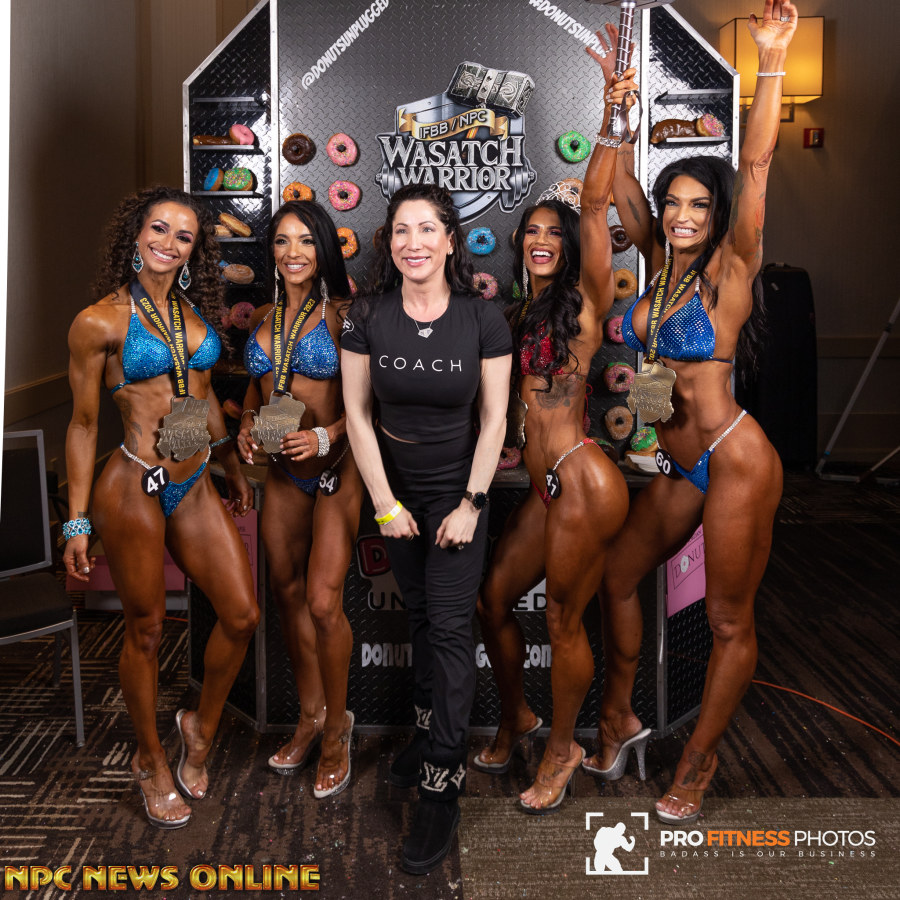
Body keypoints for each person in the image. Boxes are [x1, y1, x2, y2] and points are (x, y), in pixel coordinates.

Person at [590, 0, 795, 825]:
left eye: (697, 205)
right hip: (679, 463)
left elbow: (759, 162)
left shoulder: (732, 266)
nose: (680, 215)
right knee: (617, 576)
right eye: (672, 202)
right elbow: (613, 186)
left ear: (717, 213)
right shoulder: (656, 259)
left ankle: (699, 761)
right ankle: (620, 716)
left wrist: (772, 57)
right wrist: (615, 114)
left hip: (735, 458)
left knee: (727, 620)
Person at [63, 186, 259, 828]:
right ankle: (149, 759)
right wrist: (76, 521)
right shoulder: (99, 322)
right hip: (134, 482)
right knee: (145, 630)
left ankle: (198, 728)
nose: (168, 243)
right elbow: (83, 425)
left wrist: (231, 466)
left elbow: (199, 399)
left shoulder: (193, 315)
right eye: (158, 229)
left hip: (195, 477)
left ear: (194, 250)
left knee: (241, 615)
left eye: (183, 236)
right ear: (136, 234)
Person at [474, 30, 633, 814]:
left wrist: (611, 113)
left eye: (552, 232)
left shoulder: (586, 299)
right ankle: (521, 715)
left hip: (583, 478)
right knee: (492, 603)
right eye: (530, 231)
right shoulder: (518, 312)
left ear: (568, 245)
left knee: (566, 624)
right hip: (543, 487)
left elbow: (595, 203)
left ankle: (563, 748)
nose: (541, 240)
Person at [341, 184, 511, 874]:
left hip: (457, 494)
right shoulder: (366, 315)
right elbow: (357, 416)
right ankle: (422, 733)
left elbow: (494, 420)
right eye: (401, 230)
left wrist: (470, 503)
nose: (413, 242)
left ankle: (442, 782)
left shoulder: (482, 318)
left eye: (427, 229)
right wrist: (385, 503)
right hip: (394, 494)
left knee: (447, 629)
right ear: (390, 243)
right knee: (416, 615)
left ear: (450, 240)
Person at [236, 201, 361, 798]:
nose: (293, 253)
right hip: (284, 472)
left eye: (306, 241)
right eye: (282, 241)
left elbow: (372, 403)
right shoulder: (264, 316)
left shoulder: (344, 316)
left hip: (338, 469)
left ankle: (339, 728)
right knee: (285, 593)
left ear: (324, 249)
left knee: (321, 601)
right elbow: (259, 390)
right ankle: (311, 715)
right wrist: (246, 425)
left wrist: (326, 436)